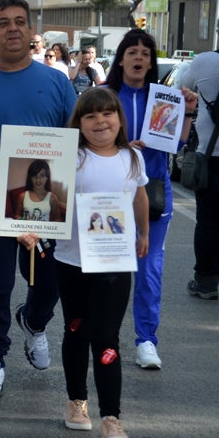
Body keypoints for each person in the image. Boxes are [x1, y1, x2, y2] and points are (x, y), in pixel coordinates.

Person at [0, 0, 76, 397]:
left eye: (20, 22)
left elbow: (75, 140)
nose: (13, 28)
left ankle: (33, 321)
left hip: (44, 204)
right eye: (4, 23)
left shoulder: (57, 82)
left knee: (48, 282)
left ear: (31, 31)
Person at [37, 86, 149, 438]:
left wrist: (143, 234)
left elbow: (140, 196)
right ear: (79, 123)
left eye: (108, 113)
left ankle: (111, 416)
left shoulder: (132, 158)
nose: (100, 121)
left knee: (106, 337)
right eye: (90, 115)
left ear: (119, 118)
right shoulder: (71, 157)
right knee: (76, 328)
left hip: (114, 264)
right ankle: (76, 400)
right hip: (71, 261)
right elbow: (48, 199)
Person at [104, 28, 197, 369]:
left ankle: (146, 340)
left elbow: (179, 143)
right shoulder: (104, 95)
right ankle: (105, 338)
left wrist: (186, 111)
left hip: (155, 193)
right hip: (108, 194)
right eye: (132, 52)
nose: (139, 58)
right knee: (108, 271)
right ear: (122, 58)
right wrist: (118, 146)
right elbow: (82, 138)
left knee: (150, 269)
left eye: (146, 53)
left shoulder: (166, 98)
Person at [180, 23, 219, 301]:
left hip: (211, 158)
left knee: (207, 220)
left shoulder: (205, 62)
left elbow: (182, 88)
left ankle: (205, 282)